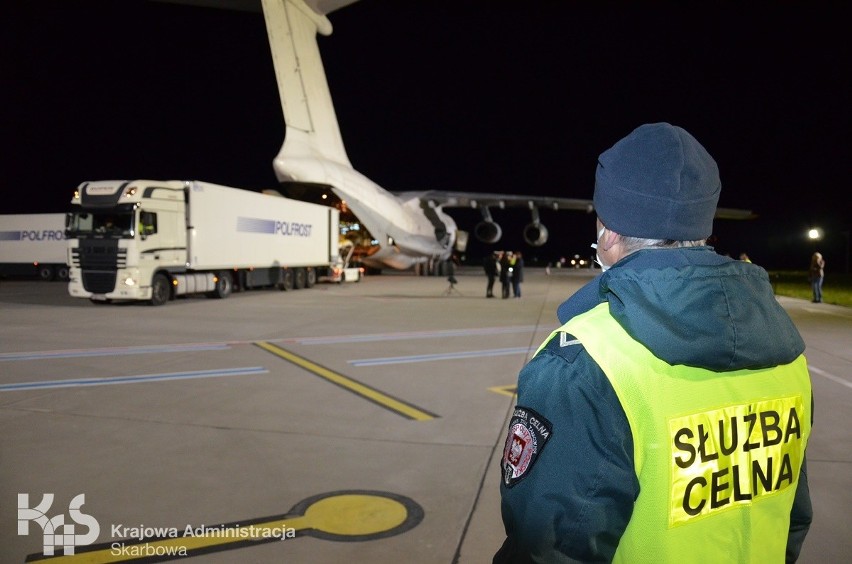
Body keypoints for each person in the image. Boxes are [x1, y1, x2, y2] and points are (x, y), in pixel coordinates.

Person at [495, 123, 813, 563]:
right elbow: (792, 519)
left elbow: (548, 549)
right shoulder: (785, 352)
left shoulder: (587, 359)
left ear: (606, 232)